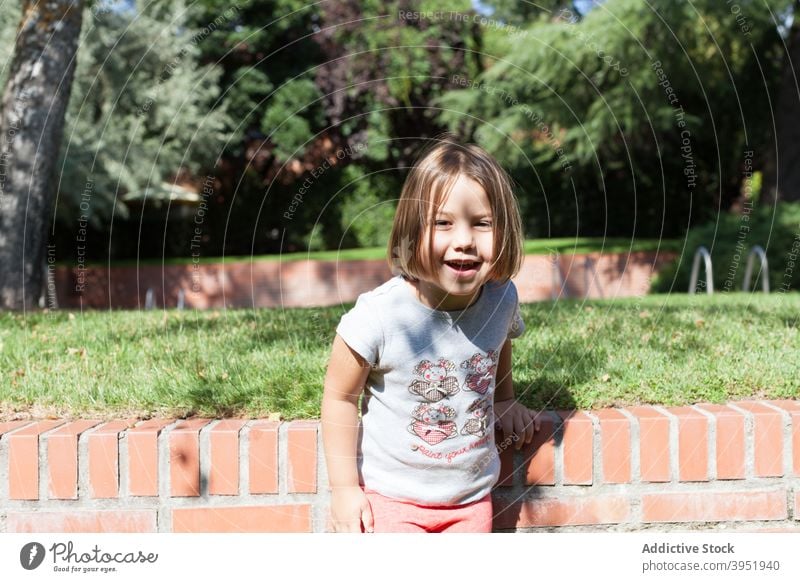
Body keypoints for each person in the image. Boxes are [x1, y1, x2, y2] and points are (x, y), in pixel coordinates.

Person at [321, 136, 540, 533]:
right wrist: (343, 491)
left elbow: (499, 341)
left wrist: (505, 400)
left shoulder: (501, 297)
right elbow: (339, 397)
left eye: (482, 223)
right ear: (412, 229)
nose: (464, 241)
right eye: (443, 222)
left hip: (471, 499)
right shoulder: (378, 316)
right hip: (392, 499)